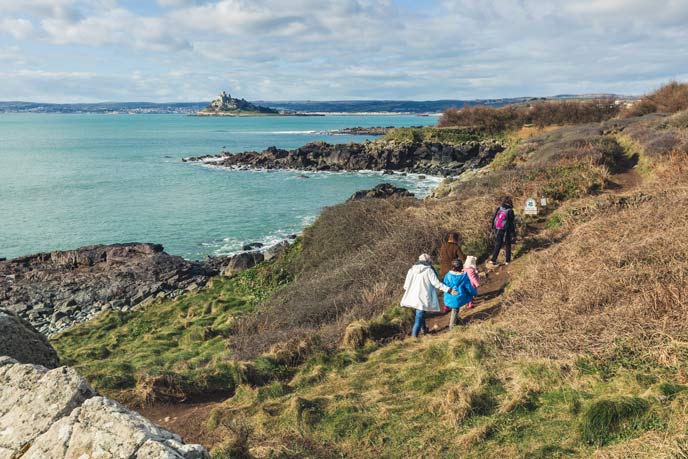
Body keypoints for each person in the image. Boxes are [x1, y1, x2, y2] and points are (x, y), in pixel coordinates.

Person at [401, 254, 458, 338]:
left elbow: (406, 286)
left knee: (420, 313)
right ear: (428, 261)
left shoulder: (411, 270)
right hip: (424, 297)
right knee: (419, 315)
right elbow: (437, 284)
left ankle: (424, 330)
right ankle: (413, 337)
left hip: (413, 297)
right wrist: (449, 290)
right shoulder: (429, 270)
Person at [442, 259, 478, 330]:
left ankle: (457, 320)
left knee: (455, 309)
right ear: (461, 267)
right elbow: (469, 287)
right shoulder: (464, 277)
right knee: (455, 310)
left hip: (449, 296)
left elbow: (444, 285)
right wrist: (475, 293)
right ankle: (451, 327)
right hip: (458, 297)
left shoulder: (448, 275)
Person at [489, 196, 516, 266]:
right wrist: (513, 233)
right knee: (508, 244)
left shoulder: (499, 208)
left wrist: (493, 228)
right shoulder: (510, 211)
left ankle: (493, 260)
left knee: (498, 244)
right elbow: (511, 223)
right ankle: (507, 261)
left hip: (498, 229)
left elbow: (494, 218)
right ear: (510, 202)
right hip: (506, 230)